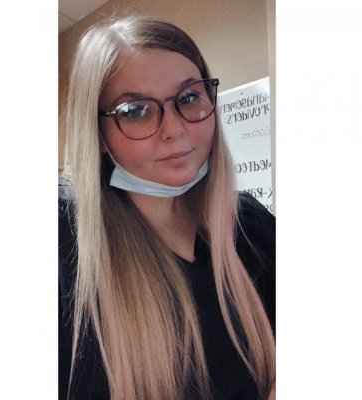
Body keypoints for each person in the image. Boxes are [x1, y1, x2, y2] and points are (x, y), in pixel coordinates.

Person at [59, 15, 276, 400]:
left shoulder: (249, 223)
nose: (174, 130)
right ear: (97, 133)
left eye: (189, 98)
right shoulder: (62, 242)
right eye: (135, 110)